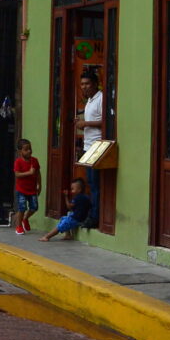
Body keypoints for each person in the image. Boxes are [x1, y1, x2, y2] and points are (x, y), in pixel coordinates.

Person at [75, 70, 103, 227]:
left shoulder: (101, 98)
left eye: (87, 84)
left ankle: (95, 217)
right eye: (82, 84)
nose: (84, 87)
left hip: (97, 146)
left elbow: (106, 120)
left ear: (95, 84)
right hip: (88, 146)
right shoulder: (90, 101)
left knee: (95, 184)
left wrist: (85, 123)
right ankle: (90, 214)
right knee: (91, 183)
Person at [40, 177, 91, 242]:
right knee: (64, 218)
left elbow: (69, 207)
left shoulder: (77, 198)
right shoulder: (86, 197)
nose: (71, 191)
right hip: (83, 219)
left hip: (76, 219)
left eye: (72, 189)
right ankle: (68, 235)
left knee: (61, 225)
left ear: (79, 190)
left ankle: (47, 237)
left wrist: (66, 197)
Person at [13, 138, 41, 235]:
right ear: (20, 151)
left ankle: (25, 218)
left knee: (34, 207)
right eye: (26, 149)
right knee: (22, 208)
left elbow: (38, 173)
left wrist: (39, 184)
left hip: (32, 189)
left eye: (30, 148)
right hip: (21, 189)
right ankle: (19, 226)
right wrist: (28, 173)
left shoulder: (34, 161)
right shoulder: (18, 162)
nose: (29, 151)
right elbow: (17, 174)